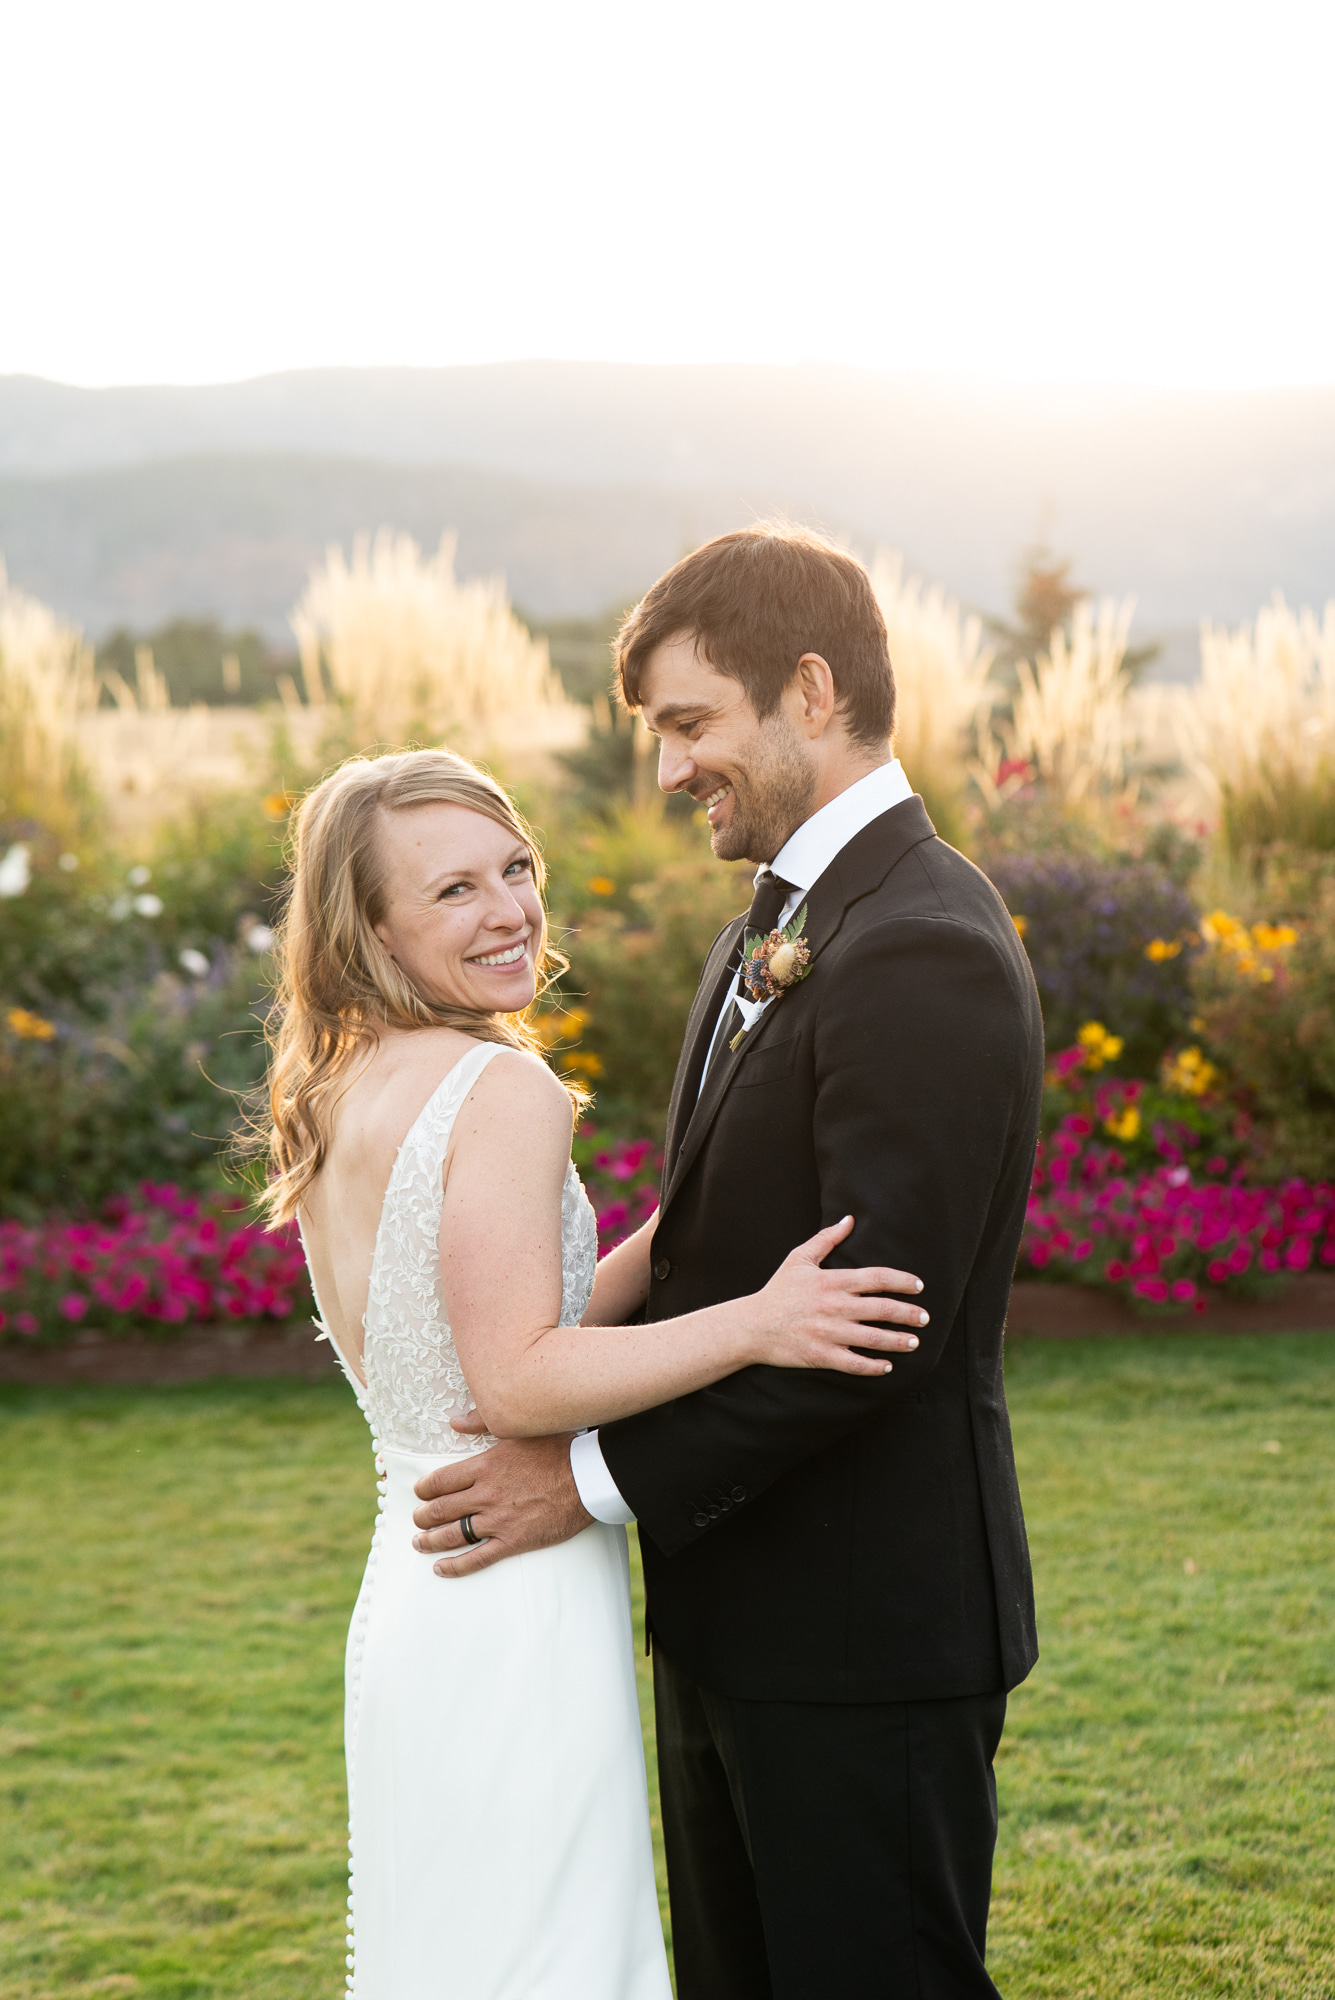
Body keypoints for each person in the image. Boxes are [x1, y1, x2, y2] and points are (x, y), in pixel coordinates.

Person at [413, 524, 1045, 1999]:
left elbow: (870, 1331)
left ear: (808, 691)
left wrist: (573, 1482)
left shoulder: (921, 943)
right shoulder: (768, 928)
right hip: (727, 1610)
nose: (665, 768)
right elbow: (713, 1250)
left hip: (861, 1630)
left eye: (689, 724)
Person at [261, 746, 929, 1999]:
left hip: (416, 1587)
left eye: (515, 868)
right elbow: (514, 1375)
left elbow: (485, 1315)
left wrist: (682, 1237)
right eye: (453, 890)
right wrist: (759, 1321)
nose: (510, 909)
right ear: (371, 927)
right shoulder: (498, 1086)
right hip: (513, 1597)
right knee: (557, 1956)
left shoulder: (342, 1088)